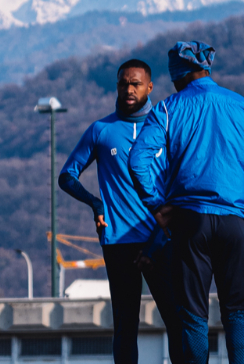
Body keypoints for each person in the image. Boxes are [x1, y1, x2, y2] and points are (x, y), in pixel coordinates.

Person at [130, 42, 244, 364]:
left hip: (189, 221)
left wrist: (156, 205)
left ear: (177, 75)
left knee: (193, 317)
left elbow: (138, 160)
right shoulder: (243, 107)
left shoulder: (167, 109)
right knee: (237, 314)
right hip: (235, 221)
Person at [59, 59, 183, 364]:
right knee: (126, 327)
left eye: (135, 83)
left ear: (149, 87)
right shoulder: (101, 130)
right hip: (119, 243)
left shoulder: (166, 127)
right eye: (123, 83)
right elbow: (66, 176)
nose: (129, 89)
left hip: (162, 239)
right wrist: (95, 203)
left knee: (178, 322)